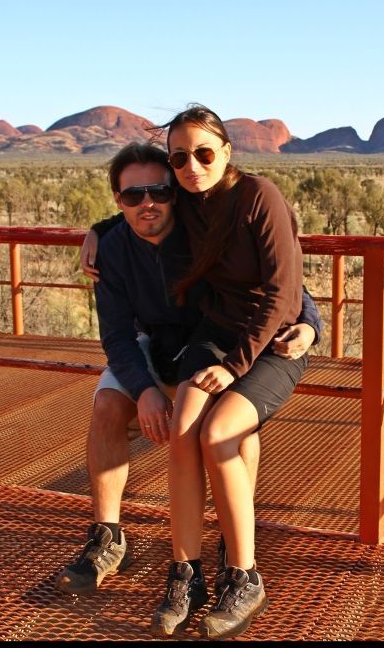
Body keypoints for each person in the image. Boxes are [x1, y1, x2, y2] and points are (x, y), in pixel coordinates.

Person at [54, 143, 322, 613]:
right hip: (154, 346)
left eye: (158, 190)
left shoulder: (203, 231)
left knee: (231, 425)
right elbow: (116, 337)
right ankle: (108, 537)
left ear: (176, 192)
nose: (147, 204)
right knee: (107, 406)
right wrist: (143, 392)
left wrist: (312, 322)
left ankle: (232, 543)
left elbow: (276, 280)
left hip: (212, 345)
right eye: (132, 196)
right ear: (117, 199)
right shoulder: (112, 249)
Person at [148, 105, 310, 640]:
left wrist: (235, 365)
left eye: (203, 153)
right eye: (179, 158)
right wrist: (98, 233)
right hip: (214, 337)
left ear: (227, 152)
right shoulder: (186, 202)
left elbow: (285, 291)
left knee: (219, 435)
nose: (191, 166)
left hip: (270, 346)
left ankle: (244, 576)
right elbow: (137, 215)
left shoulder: (258, 196)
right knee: (182, 433)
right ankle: (187, 573)